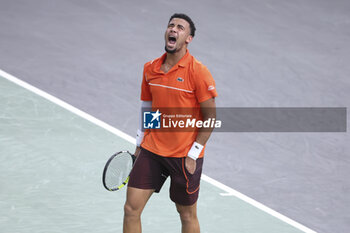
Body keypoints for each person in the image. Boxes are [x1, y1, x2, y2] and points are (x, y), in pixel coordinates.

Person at [123, 13, 218, 233]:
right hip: (152, 150)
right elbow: (149, 109)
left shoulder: (198, 72)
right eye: (171, 25)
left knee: (186, 215)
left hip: (184, 156)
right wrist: (139, 143)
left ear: (188, 38)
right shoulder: (150, 69)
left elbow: (210, 117)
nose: (173, 29)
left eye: (180, 28)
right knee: (131, 209)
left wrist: (194, 153)